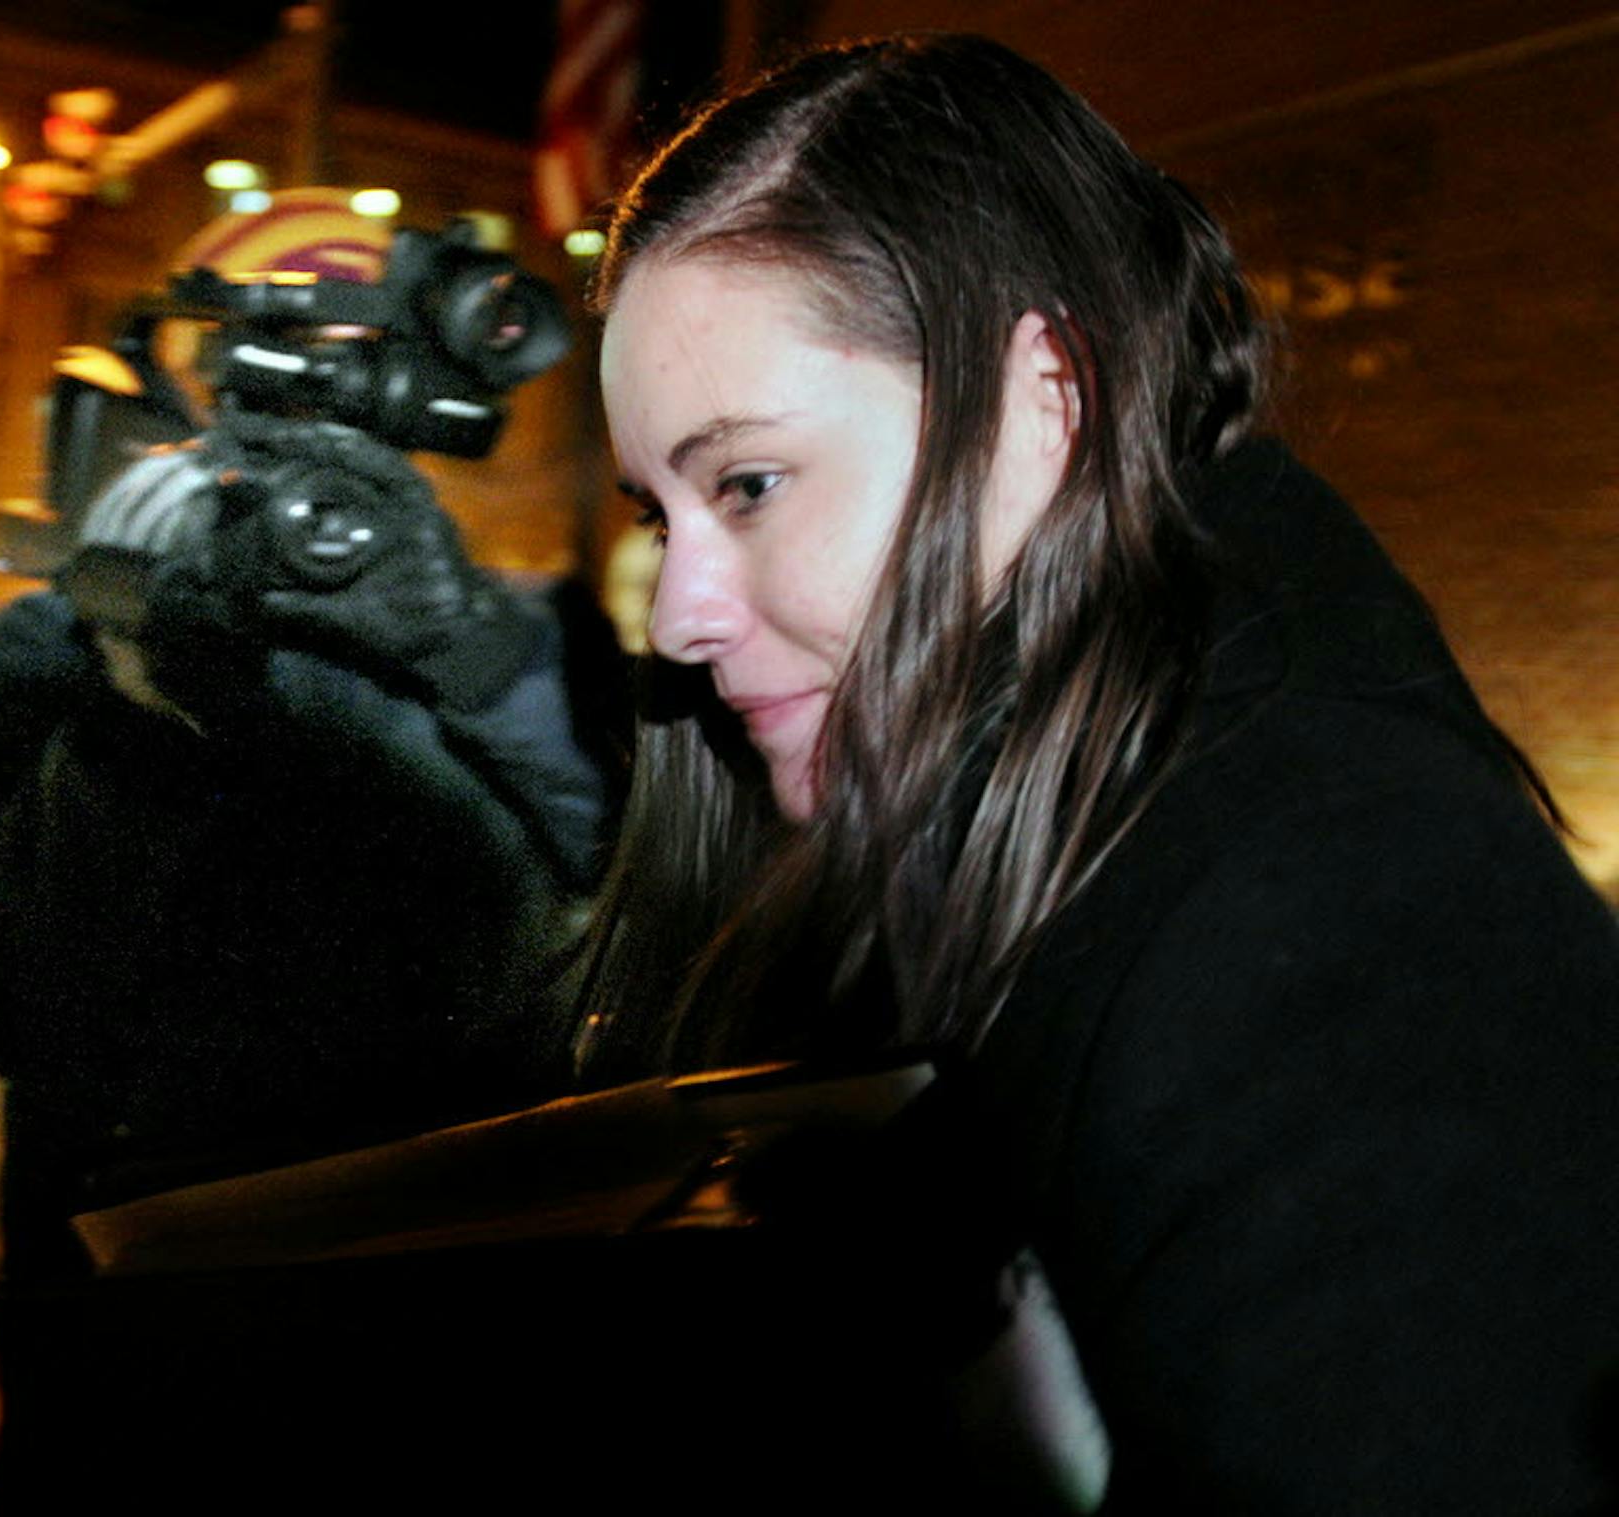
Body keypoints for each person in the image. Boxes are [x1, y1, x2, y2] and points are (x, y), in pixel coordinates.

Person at [576, 34, 1619, 1514]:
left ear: (1049, 400)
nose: (678, 613)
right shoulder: (1005, 858)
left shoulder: (1328, 908)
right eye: (658, 513)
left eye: (748, 483)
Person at [0, 204, 612, 1506]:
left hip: (443, 1309)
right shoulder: (52, 649)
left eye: (353, 372)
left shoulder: (499, 641)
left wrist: (468, 655)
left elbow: (615, 911)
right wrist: (140, 703)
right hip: (140, 1329)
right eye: (271, 369)